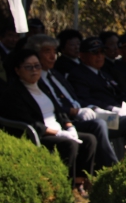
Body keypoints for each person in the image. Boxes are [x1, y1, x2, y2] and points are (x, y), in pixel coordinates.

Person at [1, 49, 96, 192]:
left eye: (37, 66)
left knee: (89, 140)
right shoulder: (13, 93)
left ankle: (79, 183)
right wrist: (58, 133)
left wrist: (69, 127)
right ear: (17, 70)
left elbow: (59, 111)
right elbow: (30, 123)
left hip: (58, 129)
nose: (34, 70)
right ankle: (64, 188)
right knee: (69, 144)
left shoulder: (43, 86)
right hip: (39, 135)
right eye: (28, 67)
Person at [25, 34, 119, 167]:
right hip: (68, 120)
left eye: (54, 52)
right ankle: (111, 167)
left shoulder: (56, 74)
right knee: (98, 125)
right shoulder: (35, 80)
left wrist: (92, 108)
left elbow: (76, 98)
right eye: (47, 52)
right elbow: (52, 108)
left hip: (84, 113)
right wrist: (73, 113)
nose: (53, 56)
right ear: (35, 54)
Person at [67, 37, 126, 152]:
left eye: (102, 52)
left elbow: (120, 93)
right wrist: (112, 108)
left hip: (118, 112)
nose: (100, 56)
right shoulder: (78, 75)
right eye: (94, 53)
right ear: (82, 55)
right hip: (100, 115)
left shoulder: (103, 74)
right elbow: (84, 99)